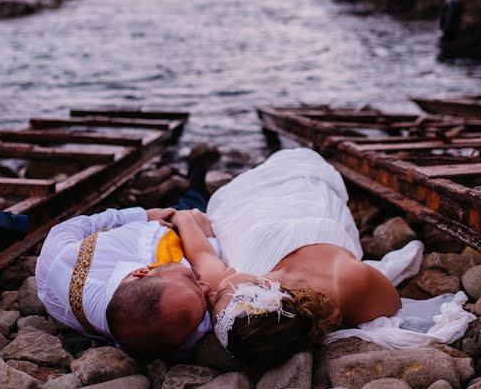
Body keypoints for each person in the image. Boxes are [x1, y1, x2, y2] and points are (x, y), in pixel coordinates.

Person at [173, 148, 402, 366]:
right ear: (264, 283)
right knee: (300, 161)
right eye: (219, 296)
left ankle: (199, 173)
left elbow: (203, 255)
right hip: (304, 189)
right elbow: (392, 304)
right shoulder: (351, 282)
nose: (210, 296)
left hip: (246, 206)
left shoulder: (235, 291)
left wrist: (183, 218)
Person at [34, 145, 220, 359]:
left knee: (178, 197)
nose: (205, 287)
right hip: (187, 230)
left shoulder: (60, 265)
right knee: (196, 198)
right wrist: (204, 234)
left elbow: (69, 228)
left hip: (155, 221)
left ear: (141, 273)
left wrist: (140, 215)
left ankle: (175, 180)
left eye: (191, 279)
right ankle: (193, 173)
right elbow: (207, 260)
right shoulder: (184, 328)